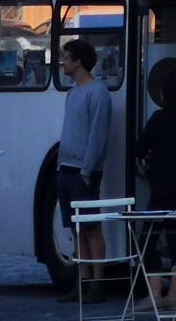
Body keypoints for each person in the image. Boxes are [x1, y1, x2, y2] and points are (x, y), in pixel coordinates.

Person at [132, 58, 176, 312]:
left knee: (148, 241)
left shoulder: (160, 118)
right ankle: (174, 295)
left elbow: (139, 147)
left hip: (162, 190)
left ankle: (155, 295)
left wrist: (151, 155)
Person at [56, 38, 113, 303]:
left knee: (91, 228)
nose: (63, 62)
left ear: (78, 61)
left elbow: (97, 135)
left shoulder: (97, 92)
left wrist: (87, 171)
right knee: (76, 230)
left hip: (81, 171)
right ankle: (82, 282)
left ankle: (98, 284)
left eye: (67, 57)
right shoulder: (73, 92)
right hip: (66, 169)